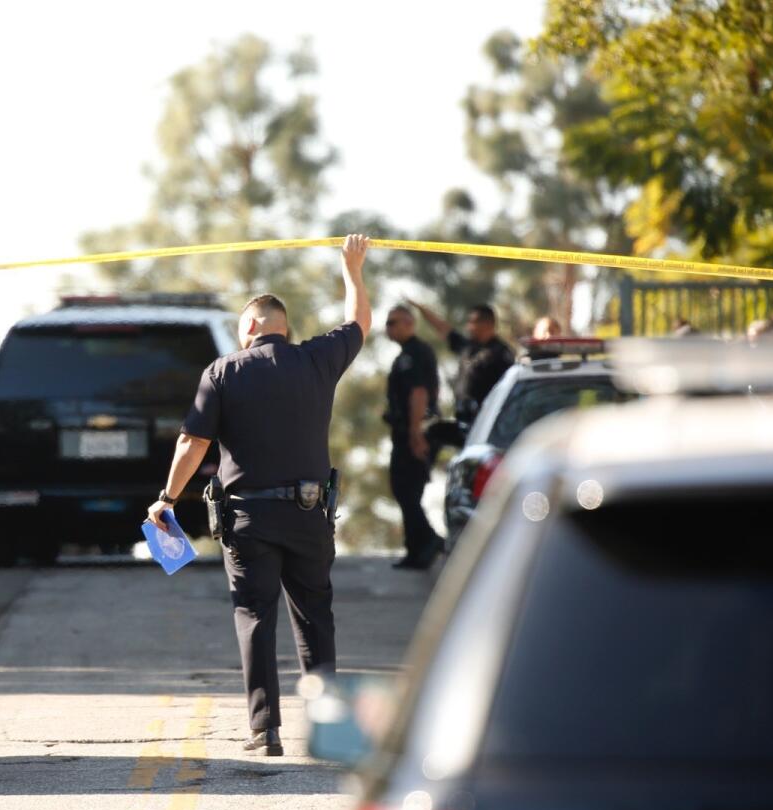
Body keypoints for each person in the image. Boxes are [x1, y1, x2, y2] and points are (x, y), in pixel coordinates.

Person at [146, 235, 373, 757]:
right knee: (315, 616)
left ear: (249, 327)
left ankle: (265, 730)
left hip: (248, 520)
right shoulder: (317, 359)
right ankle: (332, 732)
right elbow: (359, 321)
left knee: (254, 616)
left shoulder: (223, 372)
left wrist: (167, 498)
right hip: (309, 513)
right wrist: (352, 270)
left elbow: (192, 441)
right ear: (283, 327)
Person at [383, 305, 444, 570]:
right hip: (406, 431)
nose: (389, 327)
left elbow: (419, 394)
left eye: (393, 322)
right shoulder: (405, 354)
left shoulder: (416, 353)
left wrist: (415, 432)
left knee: (406, 489)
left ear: (409, 323)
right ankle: (416, 549)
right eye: (387, 323)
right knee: (405, 490)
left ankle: (430, 540)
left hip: (415, 432)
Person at [407, 299, 515, 423]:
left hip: (488, 421)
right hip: (463, 418)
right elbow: (443, 328)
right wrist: (421, 309)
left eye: (473, 322)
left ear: (487, 324)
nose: (469, 327)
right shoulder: (467, 347)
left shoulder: (501, 353)